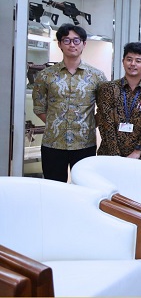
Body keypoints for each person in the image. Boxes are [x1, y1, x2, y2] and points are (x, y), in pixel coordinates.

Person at [32, 23, 107, 182]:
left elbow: (105, 108)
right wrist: (55, 123)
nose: (72, 44)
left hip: (84, 144)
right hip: (53, 143)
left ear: (84, 44)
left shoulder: (97, 76)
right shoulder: (45, 75)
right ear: (59, 44)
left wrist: (89, 125)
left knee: (84, 187)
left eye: (76, 40)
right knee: (53, 187)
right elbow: (39, 107)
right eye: (66, 40)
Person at [96, 42, 141, 161]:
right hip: (109, 155)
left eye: (138, 61)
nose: (133, 64)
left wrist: (137, 151)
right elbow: (105, 122)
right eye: (129, 59)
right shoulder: (107, 88)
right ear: (123, 61)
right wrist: (116, 155)